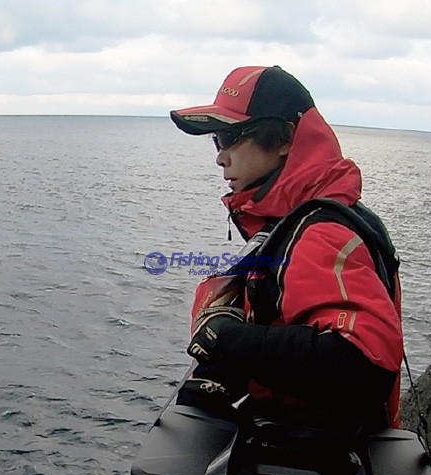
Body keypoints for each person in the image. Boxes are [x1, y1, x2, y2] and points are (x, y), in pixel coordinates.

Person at [169, 66, 403, 437]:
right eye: (217, 140)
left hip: (323, 454)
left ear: (284, 139)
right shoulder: (303, 216)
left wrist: (228, 340)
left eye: (230, 137)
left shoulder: (319, 233)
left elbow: (367, 362)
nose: (220, 157)